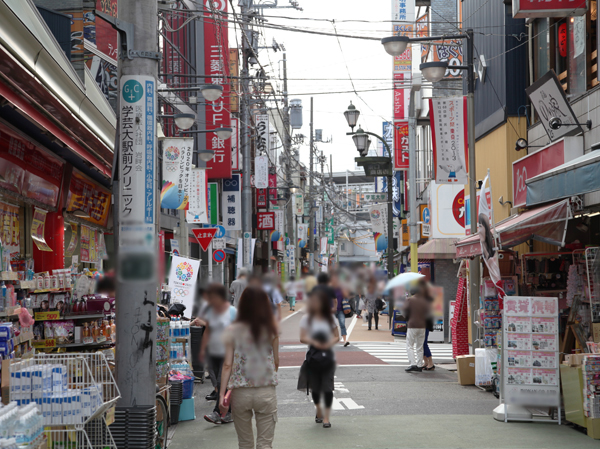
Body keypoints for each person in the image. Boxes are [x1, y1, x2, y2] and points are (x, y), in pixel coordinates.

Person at [219, 286, 279, 449]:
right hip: (265, 390)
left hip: (240, 393)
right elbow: (276, 361)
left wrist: (221, 396)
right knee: (264, 444)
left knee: (245, 444)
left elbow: (227, 365)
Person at [297, 289, 340, 428]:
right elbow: (302, 338)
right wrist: (315, 342)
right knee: (315, 389)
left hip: (328, 358)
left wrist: (328, 343)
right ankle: (319, 409)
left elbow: (336, 336)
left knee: (327, 388)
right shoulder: (306, 319)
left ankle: (326, 417)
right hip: (313, 358)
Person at [199, 283, 237, 424]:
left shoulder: (233, 311)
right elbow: (207, 331)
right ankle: (228, 411)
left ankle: (218, 412)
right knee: (217, 380)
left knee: (223, 380)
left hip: (228, 351)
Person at [403, 280, 432, 373]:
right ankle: (419, 365)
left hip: (412, 325)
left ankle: (413, 364)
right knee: (420, 346)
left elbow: (404, 313)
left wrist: (408, 318)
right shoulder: (424, 300)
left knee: (410, 345)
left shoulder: (409, 300)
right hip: (422, 326)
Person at [330, 273, 350, 346]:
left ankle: (345, 340)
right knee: (332, 325)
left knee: (342, 324)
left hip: (340, 309)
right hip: (332, 310)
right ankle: (332, 339)